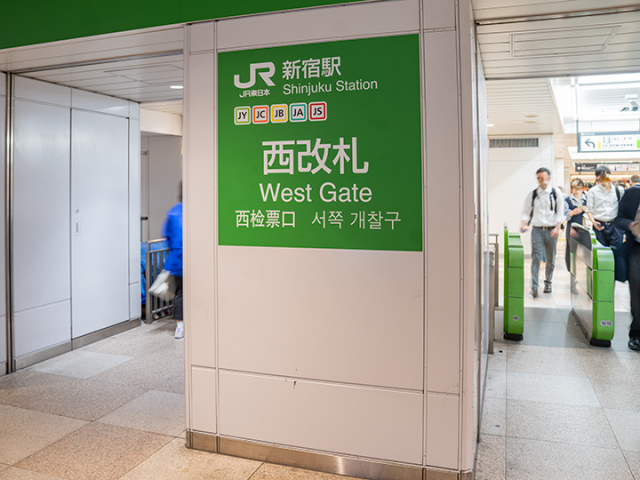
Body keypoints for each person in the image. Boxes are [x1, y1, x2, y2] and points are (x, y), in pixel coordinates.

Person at [520, 167, 565, 297]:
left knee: (550, 259)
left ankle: (548, 282)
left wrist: (557, 227)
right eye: (539, 178)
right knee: (536, 258)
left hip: (552, 230)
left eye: (543, 178)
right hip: (537, 230)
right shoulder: (534, 194)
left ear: (549, 178)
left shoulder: (556, 193)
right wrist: (523, 223)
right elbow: (526, 211)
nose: (541, 180)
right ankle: (534, 286)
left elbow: (560, 212)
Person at [615, 177, 640, 350]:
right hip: (636, 250)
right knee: (637, 293)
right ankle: (637, 334)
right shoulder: (633, 193)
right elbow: (619, 219)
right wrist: (632, 225)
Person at [162, 183, 184, 339]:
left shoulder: (172, 212)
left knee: (180, 293)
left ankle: (180, 327)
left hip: (177, 261)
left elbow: (167, 237)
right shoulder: (196, 211)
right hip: (194, 261)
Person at [586, 166, 624, 249]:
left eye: (606, 175)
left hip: (615, 225)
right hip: (599, 225)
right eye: (601, 176)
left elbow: (623, 207)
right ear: (597, 177)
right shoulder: (593, 191)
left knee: (617, 251)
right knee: (601, 252)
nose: (603, 178)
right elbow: (589, 210)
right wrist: (593, 222)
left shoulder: (619, 190)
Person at [564, 178, 587, 272]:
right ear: (571, 189)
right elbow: (564, 215)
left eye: (579, 188)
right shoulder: (567, 200)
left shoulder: (587, 199)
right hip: (572, 228)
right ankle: (571, 270)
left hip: (585, 228)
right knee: (571, 250)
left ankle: (587, 271)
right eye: (575, 188)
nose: (577, 190)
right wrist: (572, 213)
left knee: (587, 250)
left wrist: (587, 210)